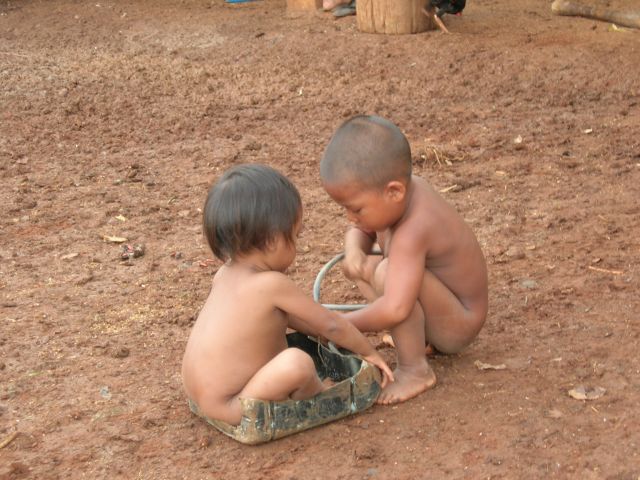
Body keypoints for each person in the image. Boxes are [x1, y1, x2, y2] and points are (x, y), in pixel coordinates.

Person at [181, 164, 394, 426]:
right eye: (295, 235)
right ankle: (317, 394)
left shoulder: (224, 274)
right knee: (298, 363)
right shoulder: (271, 284)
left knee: (292, 347)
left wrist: (323, 332)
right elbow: (331, 325)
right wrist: (369, 353)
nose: (298, 246)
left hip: (199, 396)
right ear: (273, 240)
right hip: (233, 406)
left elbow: (298, 321)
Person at [320, 115, 488, 405]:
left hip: (458, 325)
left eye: (356, 209)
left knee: (386, 273)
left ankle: (414, 369)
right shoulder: (396, 195)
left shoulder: (414, 229)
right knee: (366, 267)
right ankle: (415, 337)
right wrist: (354, 250)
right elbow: (361, 230)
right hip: (438, 310)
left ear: (394, 191)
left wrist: (335, 325)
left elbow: (396, 307)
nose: (350, 217)